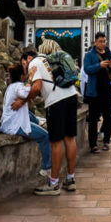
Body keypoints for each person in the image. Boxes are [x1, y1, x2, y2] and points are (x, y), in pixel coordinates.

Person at [18, 40, 79, 195]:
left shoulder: (36, 62)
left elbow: (37, 86)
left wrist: (23, 100)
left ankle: (53, 184)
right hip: (72, 96)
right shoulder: (53, 60)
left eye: (23, 62)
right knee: (70, 138)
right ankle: (70, 179)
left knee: (56, 142)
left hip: (56, 102)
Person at [0, 62, 51, 181]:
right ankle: (47, 167)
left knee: (30, 115)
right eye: (26, 73)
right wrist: (31, 77)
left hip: (13, 121)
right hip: (16, 125)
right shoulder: (18, 86)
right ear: (22, 76)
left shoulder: (12, 86)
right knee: (45, 136)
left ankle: (38, 121)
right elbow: (27, 93)